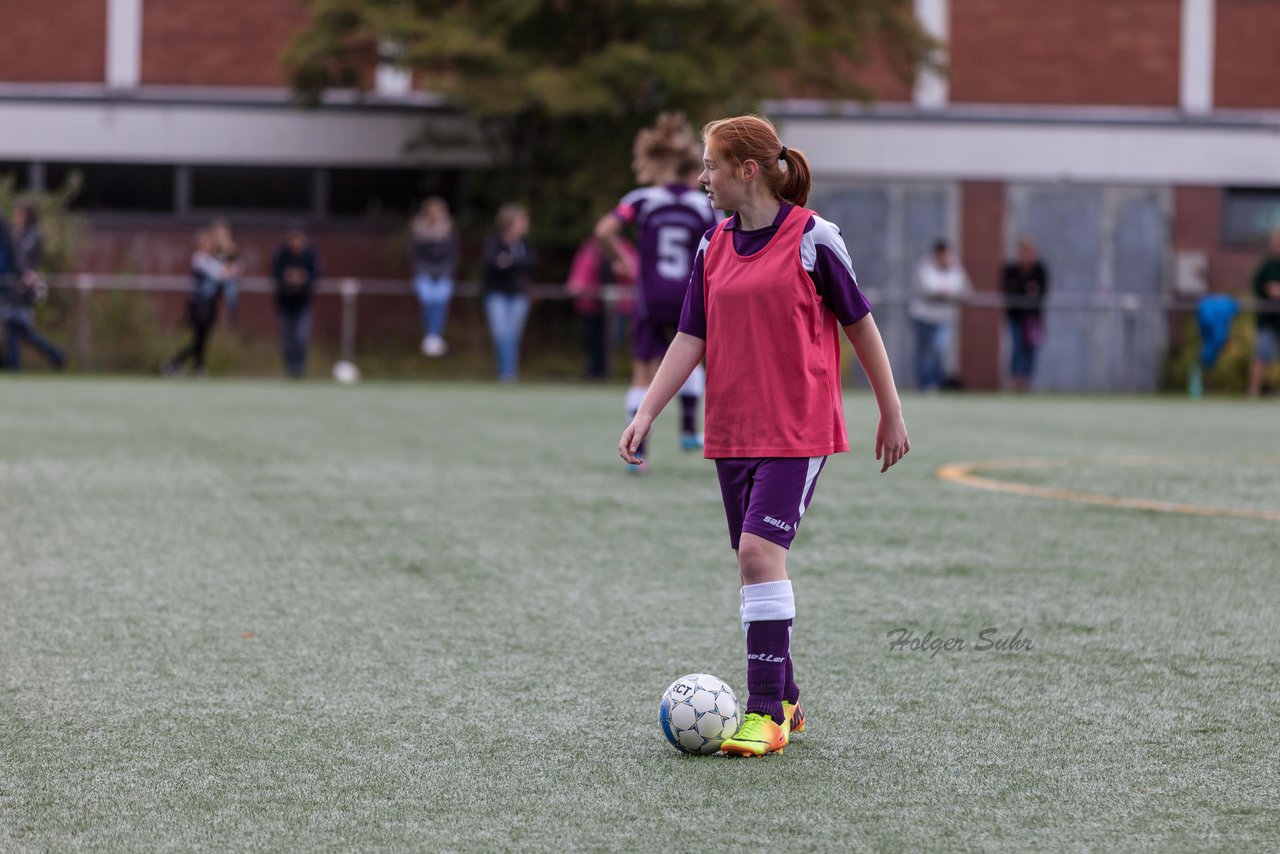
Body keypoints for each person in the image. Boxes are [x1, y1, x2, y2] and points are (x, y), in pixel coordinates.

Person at [619, 115, 909, 758]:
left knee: (757, 556)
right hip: (733, 429)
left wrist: (890, 411)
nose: (701, 178)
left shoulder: (814, 237)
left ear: (746, 170)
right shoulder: (711, 244)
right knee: (755, 566)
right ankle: (790, 694)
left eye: (710, 166)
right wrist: (647, 412)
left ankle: (766, 712)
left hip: (798, 427)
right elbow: (691, 337)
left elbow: (860, 325)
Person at [596, 114, 718, 471]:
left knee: (643, 371)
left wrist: (623, 261)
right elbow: (718, 246)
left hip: (650, 296)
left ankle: (639, 453)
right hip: (688, 295)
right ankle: (688, 428)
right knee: (692, 353)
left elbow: (604, 230)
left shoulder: (642, 199)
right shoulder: (703, 205)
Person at [4, 203, 66, 371]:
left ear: (26, 216)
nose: (15, 218)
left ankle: (55, 355)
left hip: (24, 289)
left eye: (19, 214)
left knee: (17, 326)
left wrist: (26, 274)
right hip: (14, 288)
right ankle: (17, 364)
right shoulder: (18, 234)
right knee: (15, 327)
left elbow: (24, 261)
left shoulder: (32, 236)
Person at [566, 234, 637, 380]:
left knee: (614, 338)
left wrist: (623, 269)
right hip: (592, 304)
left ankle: (605, 371)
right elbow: (581, 274)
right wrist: (576, 284)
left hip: (618, 305)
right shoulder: (590, 249)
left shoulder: (623, 249)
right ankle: (595, 371)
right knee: (594, 339)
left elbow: (635, 272)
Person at [162, 229, 231, 377]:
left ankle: (198, 367)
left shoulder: (212, 259)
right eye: (205, 243)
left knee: (203, 338)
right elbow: (221, 273)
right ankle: (175, 363)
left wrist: (227, 250)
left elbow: (230, 268)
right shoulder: (199, 259)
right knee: (198, 338)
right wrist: (227, 265)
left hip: (210, 304)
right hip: (198, 305)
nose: (209, 245)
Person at [481, 203, 534, 382]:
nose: (525, 224)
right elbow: (491, 265)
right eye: (521, 220)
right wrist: (512, 262)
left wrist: (508, 262)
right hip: (497, 294)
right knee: (502, 334)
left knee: (512, 334)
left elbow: (530, 263)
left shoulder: (524, 245)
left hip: (519, 294)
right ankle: (506, 373)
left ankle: (508, 374)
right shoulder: (494, 243)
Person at [908, 239, 970, 391]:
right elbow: (927, 287)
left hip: (942, 319)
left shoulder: (956, 269)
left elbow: (966, 291)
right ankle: (923, 385)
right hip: (923, 317)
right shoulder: (925, 266)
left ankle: (933, 383)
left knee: (937, 350)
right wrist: (941, 292)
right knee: (922, 353)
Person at [410, 197, 459, 357]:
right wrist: (424, 271)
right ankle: (430, 335)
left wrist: (444, 271)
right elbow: (415, 256)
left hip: (443, 273)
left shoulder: (449, 231)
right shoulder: (418, 231)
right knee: (428, 298)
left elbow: (452, 256)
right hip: (424, 272)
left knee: (440, 298)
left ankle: (434, 336)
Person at [271, 227, 320, 379]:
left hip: (303, 304)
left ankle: (300, 368)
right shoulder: (282, 254)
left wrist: (303, 278)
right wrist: (287, 277)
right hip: (285, 304)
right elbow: (275, 273)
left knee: (301, 337)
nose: (296, 244)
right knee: (287, 339)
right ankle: (290, 369)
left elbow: (315, 275)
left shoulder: (310, 254)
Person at [1001, 238, 1049, 393]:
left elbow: (1042, 291)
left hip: (1033, 319)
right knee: (1017, 348)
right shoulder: (1011, 270)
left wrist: (1027, 289)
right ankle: (1016, 381)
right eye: (1024, 252)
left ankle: (1026, 382)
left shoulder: (1039, 269)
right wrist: (1026, 289)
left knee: (1030, 349)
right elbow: (1009, 290)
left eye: (1030, 252)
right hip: (1015, 317)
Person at [1248, 228, 1280, 398]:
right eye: (1276, 241)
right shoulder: (1266, 267)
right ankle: (1254, 391)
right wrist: (1268, 290)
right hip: (1268, 321)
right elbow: (1257, 287)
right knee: (1261, 355)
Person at [210, 219, 243, 327]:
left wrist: (228, 272)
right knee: (208, 290)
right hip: (215, 278)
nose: (221, 236)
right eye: (219, 234)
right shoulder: (212, 248)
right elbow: (210, 265)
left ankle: (233, 318)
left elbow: (235, 265)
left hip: (228, 278)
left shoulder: (231, 248)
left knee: (231, 293)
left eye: (224, 233)